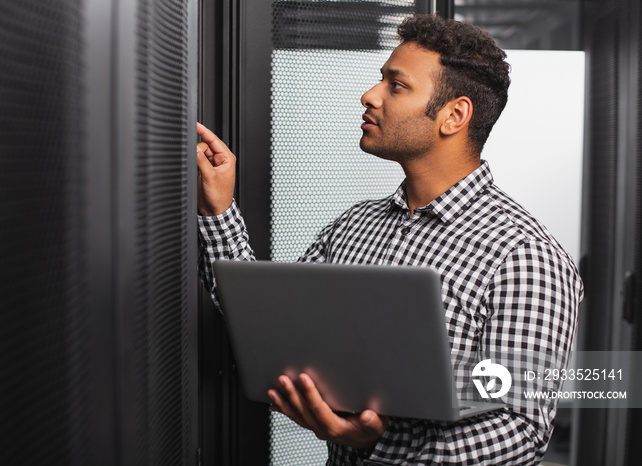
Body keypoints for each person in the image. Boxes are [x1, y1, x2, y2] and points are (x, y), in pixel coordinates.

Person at [196, 14, 583, 465]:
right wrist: (218, 209)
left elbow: (519, 430)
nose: (370, 95)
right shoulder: (355, 226)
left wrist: (375, 444)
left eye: (396, 85)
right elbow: (263, 319)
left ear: (454, 115)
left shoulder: (525, 256)